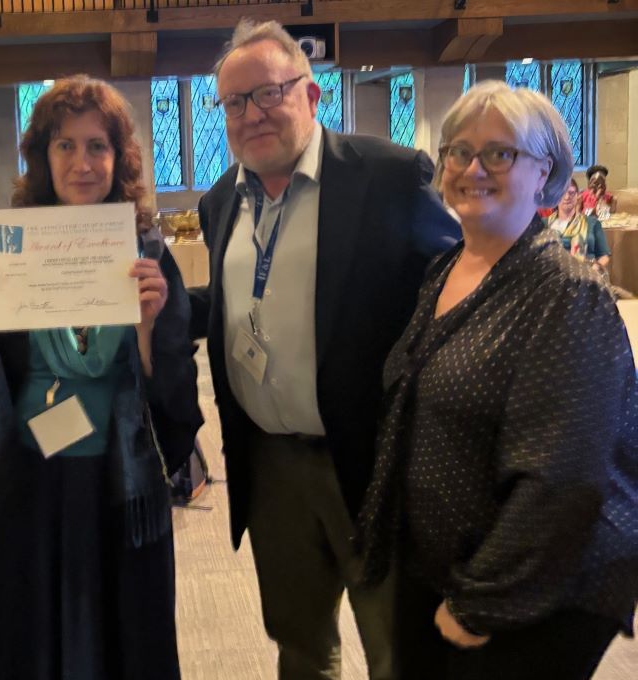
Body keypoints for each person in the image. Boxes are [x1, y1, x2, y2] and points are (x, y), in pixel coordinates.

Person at [188, 19, 459, 680]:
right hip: (270, 467)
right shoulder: (221, 200)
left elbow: (456, 288)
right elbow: (231, 308)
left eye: (268, 93)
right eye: (233, 102)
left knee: (397, 647)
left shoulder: (387, 177)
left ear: (311, 96)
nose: (250, 114)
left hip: (370, 462)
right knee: (300, 644)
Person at [358, 81, 638, 679]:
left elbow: (563, 480)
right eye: (459, 151)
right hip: (441, 568)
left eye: (500, 153)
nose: (472, 168)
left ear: (546, 172)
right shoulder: (445, 268)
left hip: (525, 599)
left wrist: (480, 604)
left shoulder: (565, 293)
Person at [0, 75, 202, 679]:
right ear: (42, 157)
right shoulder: (1, 255)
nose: (82, 162)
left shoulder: (148, 260)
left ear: (119, 157)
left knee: (116, 643)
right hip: (21, 488)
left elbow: (178, 398)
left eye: (97, 146)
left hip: (113, 489)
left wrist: (149, 331)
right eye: (65, 146)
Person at [548, 178, 610, 269]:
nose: (567, 197)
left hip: (588, 274)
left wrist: (595, 268)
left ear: (578, 196)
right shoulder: (544, 224)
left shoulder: (593, 223)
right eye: (562, 193)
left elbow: (604, 256)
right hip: (553, 275)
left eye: (571, 193)